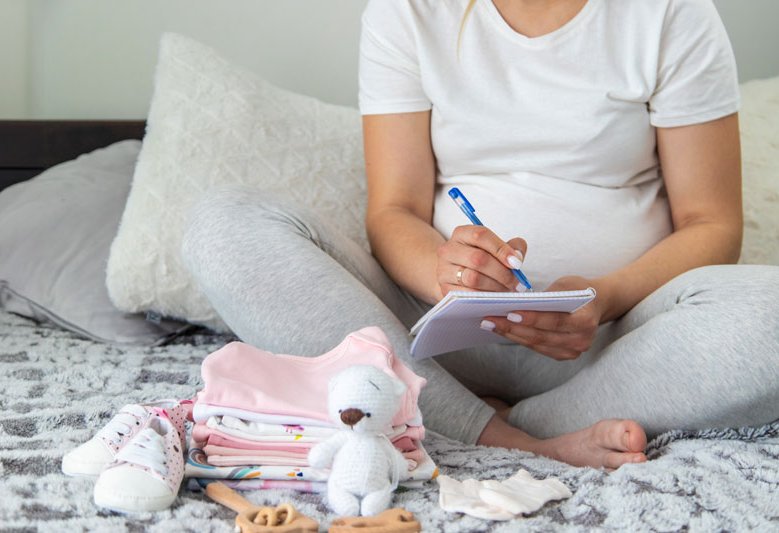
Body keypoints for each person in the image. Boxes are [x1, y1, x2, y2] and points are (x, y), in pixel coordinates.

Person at [181, 0, 779, 470]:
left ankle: (498, 420)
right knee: (223, 224)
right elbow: (394, 209)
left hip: (613, 347)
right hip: (429, 338)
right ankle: (494, 432)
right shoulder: (408, 11)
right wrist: (446, 269)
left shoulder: (672, 12)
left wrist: (604, 297)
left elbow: (713, 225)